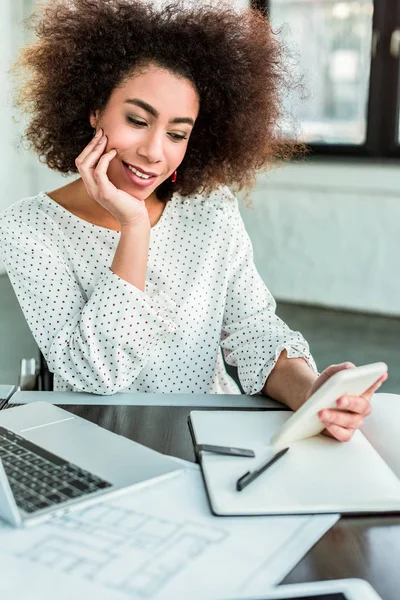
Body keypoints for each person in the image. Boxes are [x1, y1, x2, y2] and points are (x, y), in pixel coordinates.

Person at [0, 0, 386, 442]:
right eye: (137, 120)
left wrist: (313, 392)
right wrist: (135, 228)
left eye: (178, 133)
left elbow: (253, 329)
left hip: (209, 436)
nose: (154, 151)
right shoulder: (28, 227)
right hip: (97, 442)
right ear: (93, 110)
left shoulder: (210, 208)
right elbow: (94, 376)